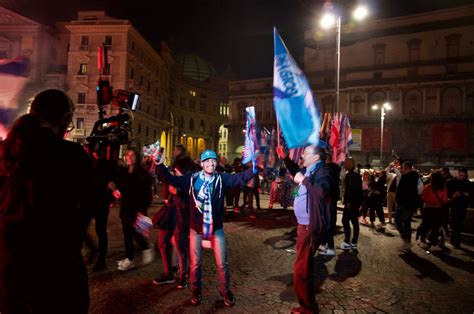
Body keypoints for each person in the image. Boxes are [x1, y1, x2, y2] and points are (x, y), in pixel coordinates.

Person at [0, 89, 94, 313]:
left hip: (10, 266)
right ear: (65, 120)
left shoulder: (5, 152)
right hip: (54, 266)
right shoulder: (70, 155)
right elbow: (89, 203)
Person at [156, 149, 255, 307]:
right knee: (195, 264)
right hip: (196, 228)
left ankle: (225, 291)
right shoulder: (193, 179)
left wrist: (255, 168)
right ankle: (196, 292)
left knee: (222, 263)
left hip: (216, 228)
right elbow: (171, 179)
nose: (211, 163)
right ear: (202, 164)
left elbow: (239, 178)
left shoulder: (221, 179)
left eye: (213, 160)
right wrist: (159, 164)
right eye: (207, 161)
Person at [277, 145, 333, 314]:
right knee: (304, 266)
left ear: (316, 157)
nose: (301, 155)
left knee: (301, 269)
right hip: (304, 224)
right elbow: (295, 171)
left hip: (310, 226)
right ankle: (307, 305)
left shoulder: (324, 172)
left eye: (305, 153)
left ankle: (307, 309)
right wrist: (285, 158)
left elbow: (321, 191)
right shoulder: (310, 169)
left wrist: (303, 180)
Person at [152, 156, 194, 288]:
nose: (174, 172)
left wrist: (178, 192)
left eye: (176, 170)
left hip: (182, 217)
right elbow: (165, 180)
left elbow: (191, 204)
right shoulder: (176, 178)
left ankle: (184, 275)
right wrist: (159, 164)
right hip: (171, 212)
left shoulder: (191, 180)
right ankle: (169, 272)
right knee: (163, 242)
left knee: (182, 247)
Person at [111, 148, 154, 271]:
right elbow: (121, 187)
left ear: (138, 157)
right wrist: (116, 191)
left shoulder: (143, 174)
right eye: (127, 154)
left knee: (134, 233)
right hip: (125, 208)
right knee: (127, 235)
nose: (129, 157)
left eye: (132, 155)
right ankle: (129, 258)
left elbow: (146, 195)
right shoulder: (124, 172)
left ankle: (145, 247)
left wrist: (142, 210)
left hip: (137, 209)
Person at [419, 171, 448, 250]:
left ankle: (423, 241)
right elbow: (445, 200)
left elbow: (422, 198)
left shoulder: (428, 187)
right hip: (437, 210)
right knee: (435, 226)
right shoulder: (443, 188)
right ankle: (433, 241)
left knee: (425, 226)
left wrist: (429, 200)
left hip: (428, 209)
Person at [395, 161, 420, 251]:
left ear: (406, 168)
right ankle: (407, 243)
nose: (401, 169)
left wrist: (399, 200)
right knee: (406, 224)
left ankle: (406, 241)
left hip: (405, 204)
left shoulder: (407, 177)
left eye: (402, 168)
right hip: (408, 204)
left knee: (398, 222)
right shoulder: (413, 177)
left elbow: (404, 191)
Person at [341, 157, 363, 250]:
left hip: (351, 203)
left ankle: (347, 241)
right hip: (355, 202)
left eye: (346, 163)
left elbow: (351, 190)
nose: (344, 165)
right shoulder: (355, 175)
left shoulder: (350, 175)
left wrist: (348, 202)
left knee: (346, 221)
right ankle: (354, 242)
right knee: (354, 222)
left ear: (350, 164)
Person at [449, 168, 471, 248]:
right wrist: (454, 195)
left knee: (459, 224)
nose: (462, 177)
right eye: (461, 175)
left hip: (463, 206)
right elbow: (448, 193)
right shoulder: (452, 182)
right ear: (458, 174)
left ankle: (456, 241)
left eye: (464, 176)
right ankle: (455, 241)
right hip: (454, 206)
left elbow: (471, 195)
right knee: (455, 224)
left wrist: (468, 195)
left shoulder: (468, 183)